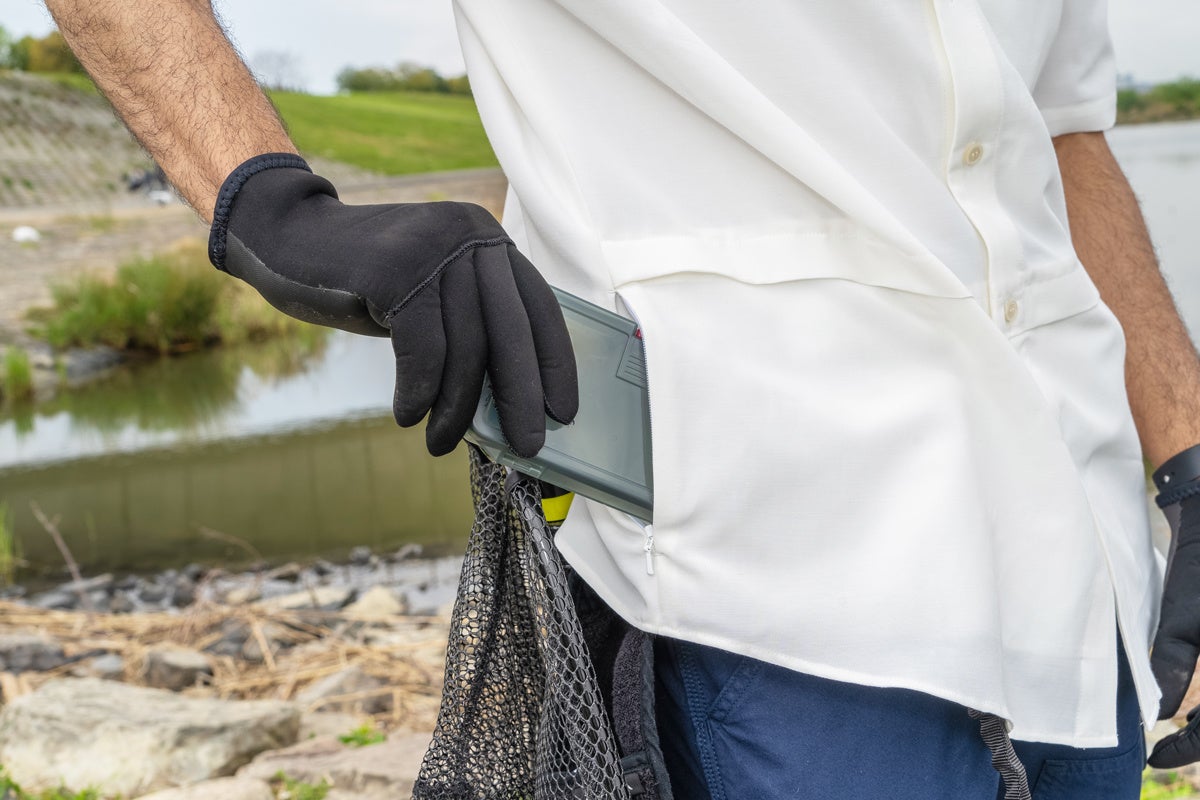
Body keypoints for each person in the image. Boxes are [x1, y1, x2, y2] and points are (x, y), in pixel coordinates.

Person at [42, 0, 1200, 796]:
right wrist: (274, 205)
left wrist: (1186, 448)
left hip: (1078, 552)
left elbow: (1058, 132)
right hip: (768, 577)